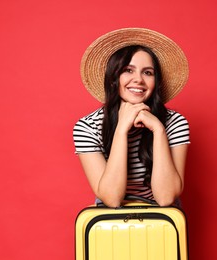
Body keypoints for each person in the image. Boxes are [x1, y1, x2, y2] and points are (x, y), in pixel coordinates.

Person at [73, 28, 190, 208]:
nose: (139, 80)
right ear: (114, 78)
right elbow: (111, 199)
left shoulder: (175, 123)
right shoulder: (87, 127)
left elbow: (166, 198)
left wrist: (158, 130)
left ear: (155, 82)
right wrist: (121, 129)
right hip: (112, 220)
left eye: (148, 72)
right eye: (128, 70)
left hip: (161, 216)